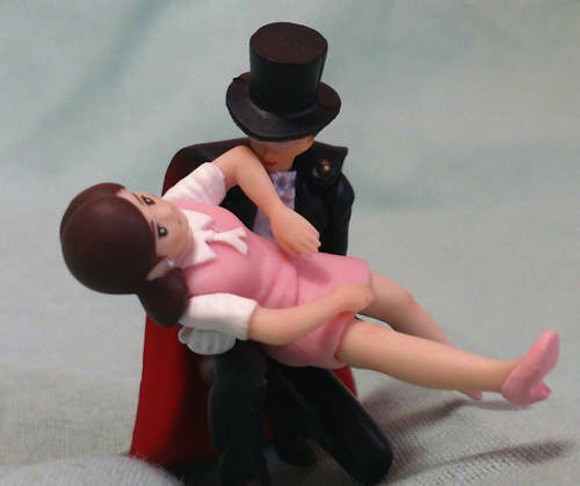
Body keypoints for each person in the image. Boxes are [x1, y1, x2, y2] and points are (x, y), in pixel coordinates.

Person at [61, 146, 559, 421]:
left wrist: (277, 213)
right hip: (303, 323)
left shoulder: (181, 201)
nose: (167, 213)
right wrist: (336, 303)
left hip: (308, 269)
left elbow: (237, 161)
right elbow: (271, 328)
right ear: (152, 271)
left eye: (147, 201)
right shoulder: (195, 302)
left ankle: (463, 372)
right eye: (159, 232)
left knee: (400, 300)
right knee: (381, 346)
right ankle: (502, 378)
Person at [130, 22, 393, 486]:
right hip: (235, 312)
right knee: (240, 375)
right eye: (260, 136)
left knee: (363, 447)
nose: (269, 151)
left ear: (310, 137)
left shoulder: (328, 186)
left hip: (300, 303)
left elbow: (333, 256)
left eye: (286, 138)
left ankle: (297, 433)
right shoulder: (214, 173)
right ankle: (243, 473)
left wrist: (332, 306)